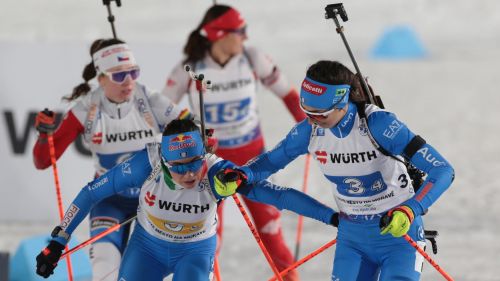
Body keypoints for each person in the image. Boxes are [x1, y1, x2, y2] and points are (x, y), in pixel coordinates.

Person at [232, 60, 455, 280]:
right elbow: (268, 163)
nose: (312, 120)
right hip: (353, 239)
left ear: (342, 102)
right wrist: (242, 174)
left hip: (399, 235)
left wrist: (410, 209)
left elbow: (443, 170)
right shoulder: (308, 132)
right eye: (306, 112)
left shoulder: (378, 124)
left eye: (320, 114)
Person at [35, 119, 337, 281]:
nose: (189, 172)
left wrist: (332, 218)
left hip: (194, 252)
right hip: (147, 248)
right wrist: (58, 241)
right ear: (164, 160)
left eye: (194, 162)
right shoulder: (147, 162)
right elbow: (92, 193)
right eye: (177, 166)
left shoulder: (217, 173)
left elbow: (277, 196)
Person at [161, 5, 306, 279]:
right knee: (208, 233)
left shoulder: (252, 58)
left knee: (269, 228)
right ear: (218, 34)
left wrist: (311, 128)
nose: (245, 37)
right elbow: (162, 113)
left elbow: (288, 95)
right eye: (239, 32)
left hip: (255, 160)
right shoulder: (188, 69)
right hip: (211, 163)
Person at [32, 38, 190, 281]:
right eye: (118, 75)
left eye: (133, 72)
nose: (128, 81)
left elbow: (199, 138)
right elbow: (43, 161)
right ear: (101, 77)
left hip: (152, 200)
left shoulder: (150, 99)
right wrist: (44, 136)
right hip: (108, 200)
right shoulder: (85, 109)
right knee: (104, 270)